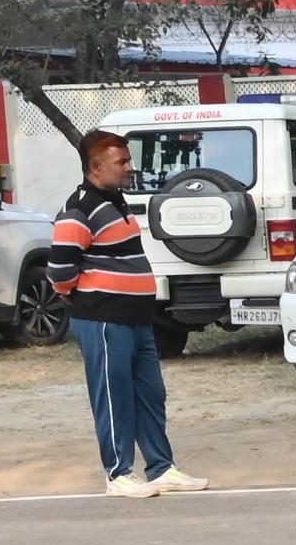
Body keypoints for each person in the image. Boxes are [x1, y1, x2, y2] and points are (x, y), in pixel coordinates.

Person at [48, 131, 206, 497]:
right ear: (96, 167)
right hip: (104, 319)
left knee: (150, 394)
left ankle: (161, 467)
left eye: (128, 160)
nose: (130, 168)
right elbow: (59, 272)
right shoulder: (79, 210)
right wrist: (85, 297)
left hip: (136, 319)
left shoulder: (115, 200)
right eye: (122, 162)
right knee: (113, 394)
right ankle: (118, 472)